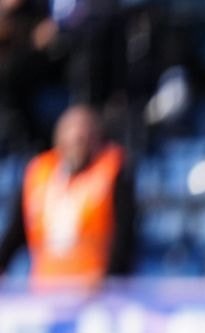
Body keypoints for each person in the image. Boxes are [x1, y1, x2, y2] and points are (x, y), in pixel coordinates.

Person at [0, 103, 134, 285]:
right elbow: (17, 230)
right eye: (71, 136)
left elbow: (124, 235)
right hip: (47, 285)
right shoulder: (40, 173)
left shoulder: (113, 171)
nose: (77, 142)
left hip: (94, 288)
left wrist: (108, 279)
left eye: (83, 138)